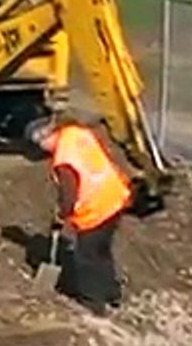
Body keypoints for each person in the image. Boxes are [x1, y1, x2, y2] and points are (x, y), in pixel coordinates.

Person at [26, 116, 133, 316]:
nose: (43, 150)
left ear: (44, 137)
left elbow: (69, 190)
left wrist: (62, 215)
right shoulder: (77, 134)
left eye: (41, 145)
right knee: (102, 251)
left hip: (95, 208)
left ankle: (93, 302)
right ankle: (112, 293)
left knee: (87, 257)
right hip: (114, 196)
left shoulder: (63, 159)